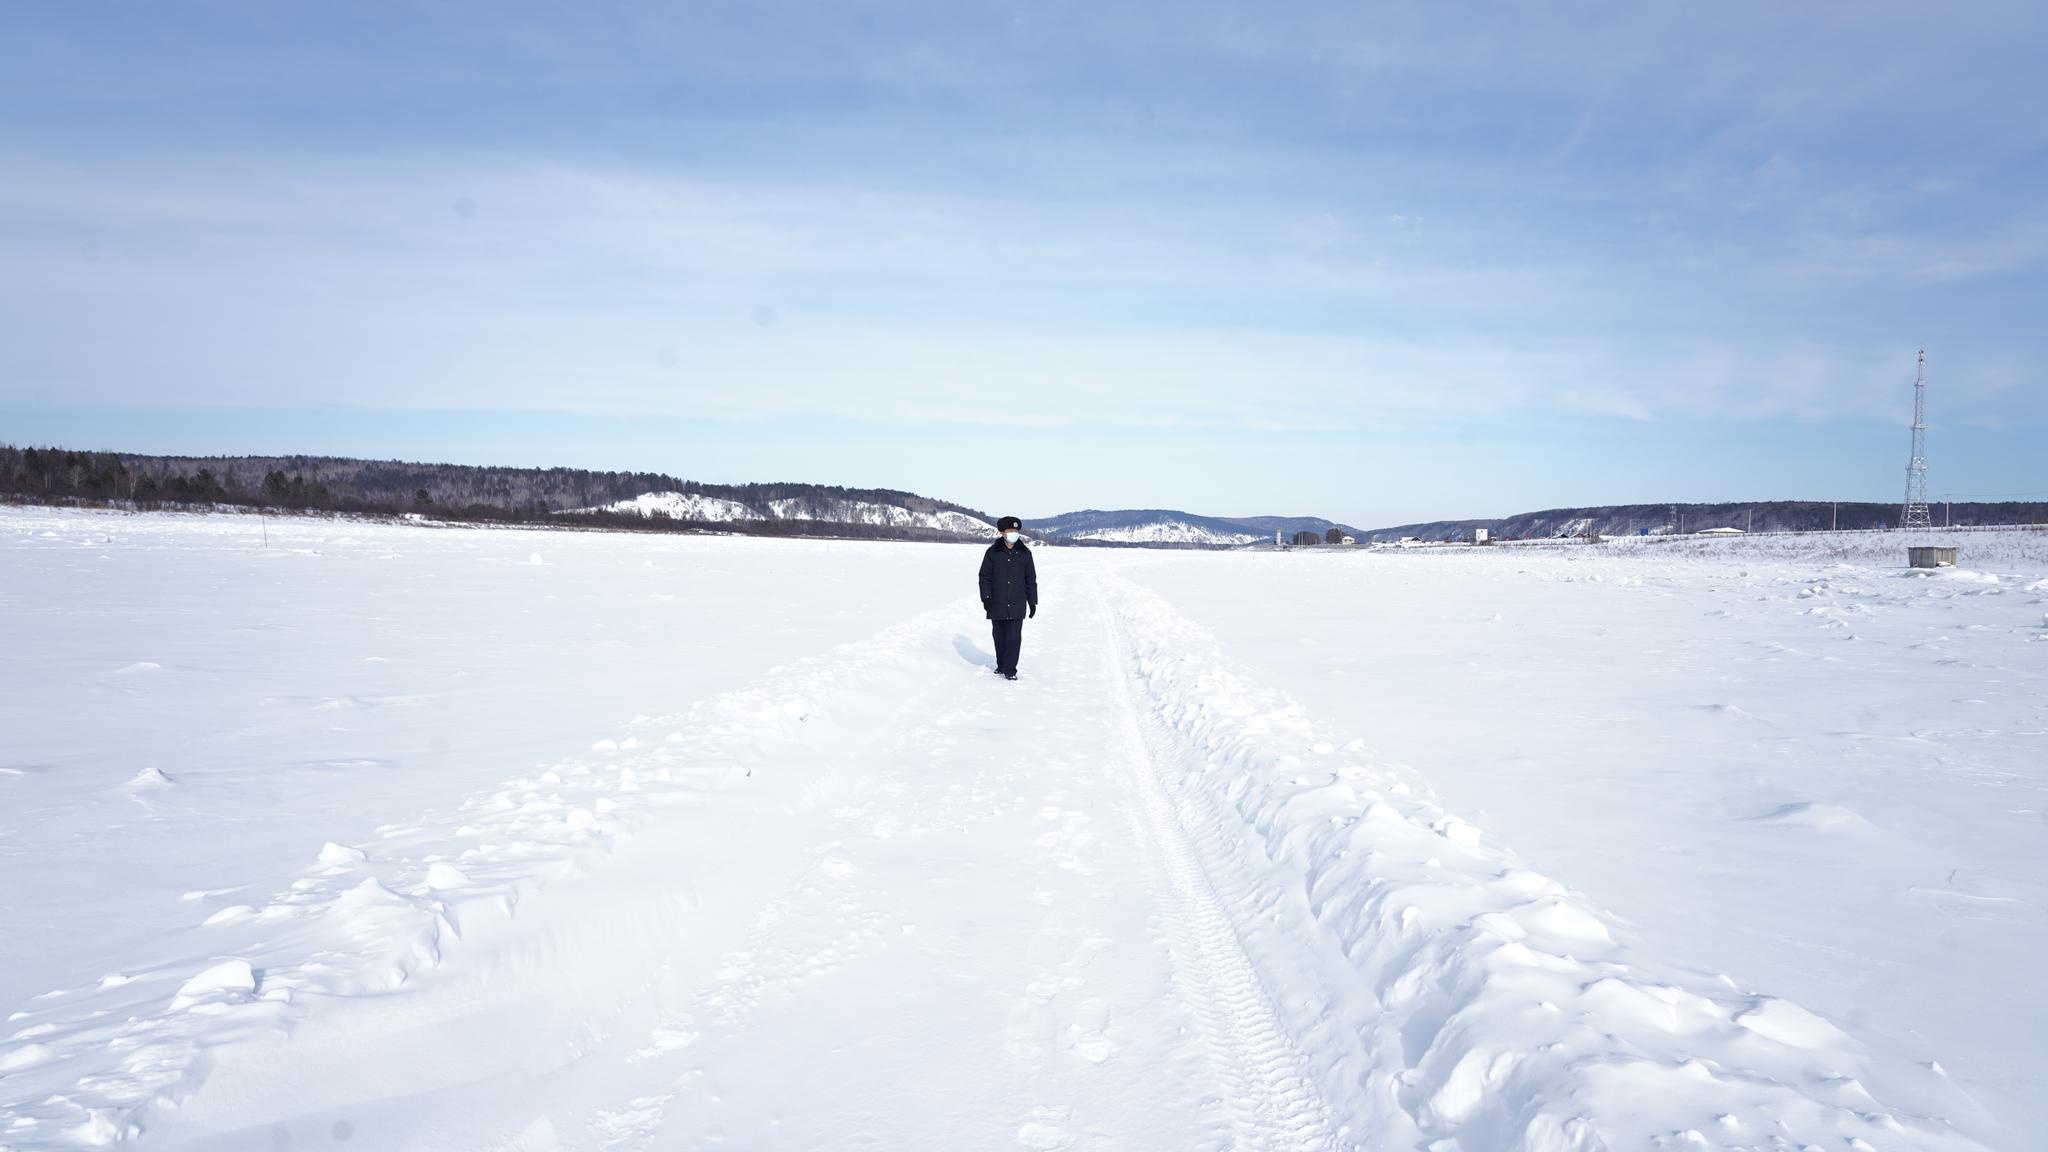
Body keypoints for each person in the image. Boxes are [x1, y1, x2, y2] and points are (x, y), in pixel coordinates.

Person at [978, 515, 1038, 680]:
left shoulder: (1025, 553)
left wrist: (1032, 601)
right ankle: (1001, 665)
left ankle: (1010, 670)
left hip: (1017, 604)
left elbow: (1030, 579)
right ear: (1002, 532)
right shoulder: (992, 553)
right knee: (999, 637)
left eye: (1016, 530)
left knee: (1013, 638)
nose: (1014, 533)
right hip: (997, 603)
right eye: (1010, 530)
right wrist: (986, 598)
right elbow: (984, 577)